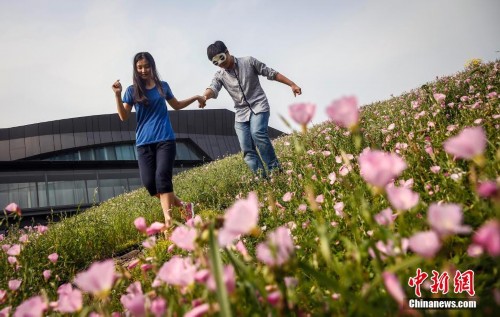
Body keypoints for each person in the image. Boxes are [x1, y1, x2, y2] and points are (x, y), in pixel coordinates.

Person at [112, 52, 205, 228]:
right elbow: (123, 116)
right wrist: (117, 95)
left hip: (165, 139)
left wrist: (196, 97)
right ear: (136, 69)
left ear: (152, 66)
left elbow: (176, 106)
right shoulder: (132, 91)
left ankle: (169, 223)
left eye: (146, 66)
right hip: (143, 142)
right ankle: (184, 207)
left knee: (163, 178)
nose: (143, 70)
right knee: (150, 184)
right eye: (139, 67)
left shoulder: (163, 86)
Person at [201, 41, 301, 177]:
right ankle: (263, 180)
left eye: (221, 58)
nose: (220, 63)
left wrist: (292, 84)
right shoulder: (220, 76)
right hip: (241, 114)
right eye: (215, 62)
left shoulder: (248, 62)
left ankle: (276, 173)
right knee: (247, 149)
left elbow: (270, 73)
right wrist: (204, 97)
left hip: (259, 106)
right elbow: (213, 88)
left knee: (258, 134)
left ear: (227, 52)